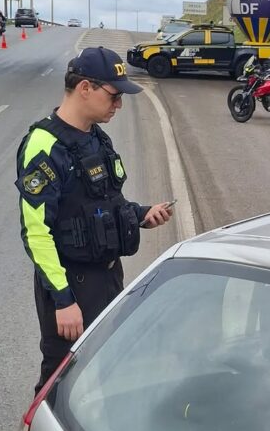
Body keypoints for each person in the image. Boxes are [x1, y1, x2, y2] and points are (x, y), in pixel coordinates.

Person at [15, 46, 174, 393]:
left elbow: (107, 202)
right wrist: (63, 300)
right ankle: (39, 428)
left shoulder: (97, 137)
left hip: (107, 276)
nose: (118, 105)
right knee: (61, 381)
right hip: (71, 284)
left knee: (102, 368)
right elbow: (36, 233)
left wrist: (141, 214)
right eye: (114, 96)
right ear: (85, 88)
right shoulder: (43, 145)